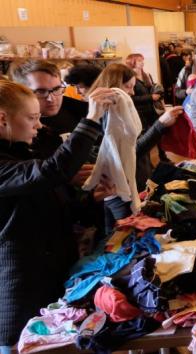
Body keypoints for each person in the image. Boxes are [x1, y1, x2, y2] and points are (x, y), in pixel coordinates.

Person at [0, 81, 110, 354]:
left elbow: (45, 207)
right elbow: (50, 171)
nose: (38, 126)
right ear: (3, 118)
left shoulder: (20, 152)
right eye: (32, 118)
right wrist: (91, 119)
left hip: (47, 272)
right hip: (20, 284)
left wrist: (86, 201)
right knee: (19, 346)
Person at [87, 63, 183, 234]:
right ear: (114, 86)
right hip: (117, 191)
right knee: (122, 234)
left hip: (131, 184)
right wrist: (160, 125)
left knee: (122, 232)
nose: (131, 92)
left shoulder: (119, 112)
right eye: (128, 87)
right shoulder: (105, 116)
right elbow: (133, 150)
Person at [10, 60, 90, 159]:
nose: (51, 99)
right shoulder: (14, 129)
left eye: (56, 89)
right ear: (22, 92)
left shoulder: (81, 110)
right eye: (40, 91)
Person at [125, 53, 160, 128]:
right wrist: (150, 97)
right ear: (132, 62)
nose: (142, 62)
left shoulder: (147, 75)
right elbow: (131, 98)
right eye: (139, 60)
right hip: (140, 113)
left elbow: (151, 89)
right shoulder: (129, 78)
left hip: (152, 110)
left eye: (142, 60)